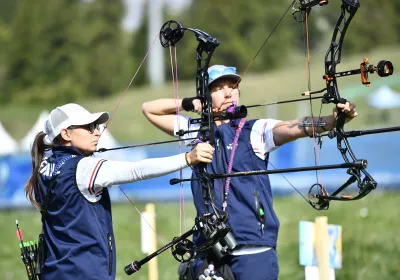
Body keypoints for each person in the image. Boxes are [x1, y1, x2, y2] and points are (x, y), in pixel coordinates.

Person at [142, 65, 358, 280]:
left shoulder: (255, 131)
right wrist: (187, 103)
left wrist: (332, 121)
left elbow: (296, 126)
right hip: (209, 251)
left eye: (233, 87)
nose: (228, 93)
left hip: (253, 249)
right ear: (206, 96)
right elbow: (148, 109)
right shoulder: (195, 132)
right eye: (218, 88)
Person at [24, 103, 214, 280]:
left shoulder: (45, 166)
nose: (97, 132)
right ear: (66, 133)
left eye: (96, 126)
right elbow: (136, 171)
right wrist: (188, 158)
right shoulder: (82, 168)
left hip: (55, 270)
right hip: (85, 272)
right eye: (89, 127)